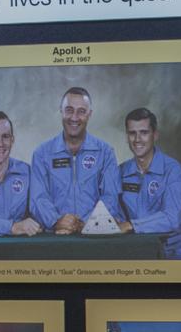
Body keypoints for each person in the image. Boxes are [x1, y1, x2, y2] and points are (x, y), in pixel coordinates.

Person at [30, 86, 119, 234]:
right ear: (61, 111)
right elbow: (38, 198)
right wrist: (57, 221)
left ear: (89, 114)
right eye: (69, 110)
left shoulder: (105, 153)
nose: (74, 117)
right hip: (55, 236)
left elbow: (111, 197)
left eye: (81, 111)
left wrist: (86, 224)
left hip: (94, 235)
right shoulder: (42, 154)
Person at [116, 108, 181, 258]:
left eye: (144, 132)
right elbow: (114, 212)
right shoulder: (120, 172)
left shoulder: (173, 171)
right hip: (133, 247)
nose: (137, 139)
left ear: (155, 135)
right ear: (127, 136)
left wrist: (132, 225)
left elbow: (173, 218)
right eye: (132, 133)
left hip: (170, 249)